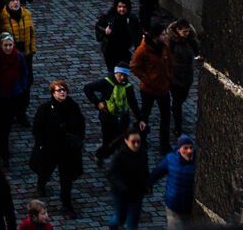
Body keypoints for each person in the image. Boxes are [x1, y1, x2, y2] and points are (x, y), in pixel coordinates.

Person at [31, 78, 86, 216]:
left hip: (67, 149)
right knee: (45, 169)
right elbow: (38, 127)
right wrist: (40, 144)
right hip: (51, 147)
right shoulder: (45, 109)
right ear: (53, 93)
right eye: (59, 90)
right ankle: (41, 184)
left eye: (64, 90)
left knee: (66, 179)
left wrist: (79, 138)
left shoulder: (73, 106)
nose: (62, 92)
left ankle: (66, 204)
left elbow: (80, 123)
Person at [130, 17, 173, 154]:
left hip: (163, 88)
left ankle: (164, 144)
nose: (166, 36)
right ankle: (141, 140)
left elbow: (169, 64)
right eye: (163, 34)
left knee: (166, 117)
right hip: (148, 89)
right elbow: (135, 67)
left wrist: (169, 78)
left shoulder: (165, 47)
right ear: (156, 36)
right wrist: (147, 79)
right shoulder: (142, 50)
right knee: (144, 116)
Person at [84, 65, 141, 157]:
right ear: (116, 73)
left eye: (125, 76)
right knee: (108, 142)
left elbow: (133, 103)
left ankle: (120, 161)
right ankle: (100, 155)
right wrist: (97, 102)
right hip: (108, 118)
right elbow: (87, 88)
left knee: (121, 142)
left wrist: (140, 119)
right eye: (120, 75)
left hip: (123, 119)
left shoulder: (128, 87)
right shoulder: (106, 82)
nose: (122, 78)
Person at [105, 126, 151, 230]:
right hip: (121, 194)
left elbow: (145, 171)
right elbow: (111, 174)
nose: (136, 145)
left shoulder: (143, 154)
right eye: (133, 142)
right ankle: (113, 226)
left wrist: (148, 184)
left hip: (136, 194)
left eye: (138, 142)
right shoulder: (119, 156)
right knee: (120, 218)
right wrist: (122, 187)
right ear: (126, 141)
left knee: (132, 224)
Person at [0, 32, 31, 163]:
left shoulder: (18, 56)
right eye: (5, 45)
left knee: (7, 125)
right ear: (0, 45)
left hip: (12, 96)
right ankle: (4, 152)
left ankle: (4, 149)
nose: (8, 48)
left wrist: (22, 87)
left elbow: (25, 72)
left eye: (10, 45)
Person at [149, 135, 198, 227]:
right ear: (179, 149)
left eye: (191, 148)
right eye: (186, 148)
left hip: (190, 208)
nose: (189, 151)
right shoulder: (171, 159)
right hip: (174, 206)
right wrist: (148, 184)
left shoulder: (198, 160)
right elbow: (157, 172)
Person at [166, 17, 201, 138]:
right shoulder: (172, 41)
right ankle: (178, 127)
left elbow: (197, 52)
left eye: (187, 31)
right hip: (175, 77)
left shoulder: (190, 40)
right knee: (177, 103)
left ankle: (175, 111)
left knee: (182, 98)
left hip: (187, 76)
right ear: (177, 30)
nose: (186, 34)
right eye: (184, 32)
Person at [94, 0, 137, 73]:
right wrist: (105, 30)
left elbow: (137, 32)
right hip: (111, 49)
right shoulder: (109, 15)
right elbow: (98, 26)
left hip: (124, 49)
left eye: (124, 7)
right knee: (112, 72)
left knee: (123, 72)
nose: (122, 9)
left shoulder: (132, 18)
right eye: (120, 7)